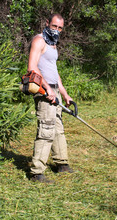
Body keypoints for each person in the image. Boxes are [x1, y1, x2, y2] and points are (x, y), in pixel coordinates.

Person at [28, 13, 73, 183]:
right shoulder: (39, 41)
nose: (56, 30)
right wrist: (47, 90)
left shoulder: (53, 44)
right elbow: (32, 68)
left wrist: (65, 94)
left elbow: (55, 73)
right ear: (47, 23)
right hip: (43, 89)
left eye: (60, 28)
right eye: (54, 26)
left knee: (58, 129)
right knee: (46, 130)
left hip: (54, 89)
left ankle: (62, 163)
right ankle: (37, 172)